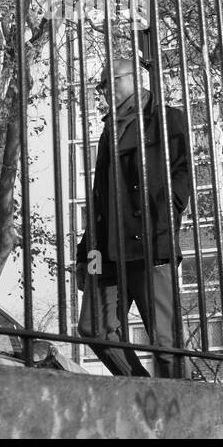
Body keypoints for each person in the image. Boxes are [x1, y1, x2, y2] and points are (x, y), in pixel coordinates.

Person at [76, 53, 193, 378]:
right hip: (106, 251)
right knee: (93, 328)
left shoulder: (165, 118)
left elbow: (182, 172)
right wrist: (85, 255)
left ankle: (180, 401)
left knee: (165, 341)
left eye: (106, 83)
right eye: (100, 85)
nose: (102, 91)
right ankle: (138, 386)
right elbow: (99, 198)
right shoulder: (108, 131)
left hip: (150, 242)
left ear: (130, 79)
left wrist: (165, 211)